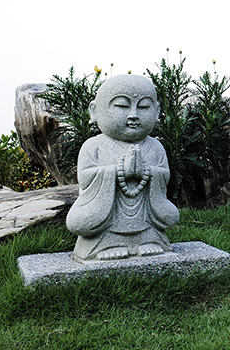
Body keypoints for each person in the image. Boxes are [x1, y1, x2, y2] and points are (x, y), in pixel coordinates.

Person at [66, 74, 179, 261]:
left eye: (143, 107)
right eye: (121, 106)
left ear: (157, 112)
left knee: (172, 215)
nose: (134, 115)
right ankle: (108, 243)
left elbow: (164, 176)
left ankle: (147, 241)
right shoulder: (93, 146)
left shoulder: (155, 146)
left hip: (146, 217)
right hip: (105, 218)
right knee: (80, 222)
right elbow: (85, 179)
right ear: (94, 111)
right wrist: (118, 172)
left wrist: (146, 173)